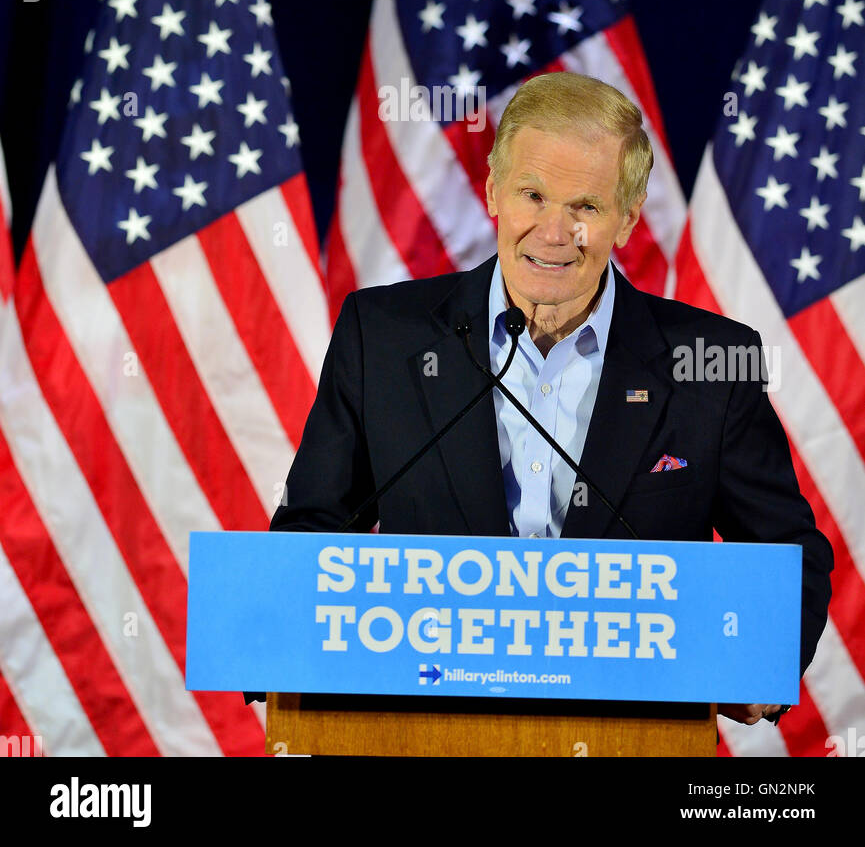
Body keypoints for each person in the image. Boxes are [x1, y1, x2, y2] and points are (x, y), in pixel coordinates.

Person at [270, 72, 833, 727]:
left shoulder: (710, 363)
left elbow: (784, 549)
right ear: (492, 192)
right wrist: (287, 661)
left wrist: (762, 662)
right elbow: (312, 533)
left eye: (585, 207)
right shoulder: (382, 336)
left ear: (625, 219)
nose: (554, 230)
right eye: (533, 195)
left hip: (631, 737)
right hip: (425, 730)